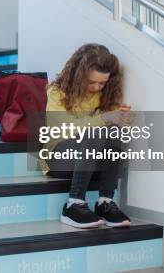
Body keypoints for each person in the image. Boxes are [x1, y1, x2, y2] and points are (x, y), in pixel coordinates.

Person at [40, 44, 132, 228]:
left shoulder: (106, 95)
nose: (97, 87)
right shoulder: (57, 92)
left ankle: (105, 201)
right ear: (78, 76)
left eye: (102, 83)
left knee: (113, 132)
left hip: (90, 159)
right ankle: (74, 203)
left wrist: (122, 120)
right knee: (95, 133)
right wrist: (105, 117)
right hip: (58, 158)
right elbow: (63, 130)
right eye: (92, 82)